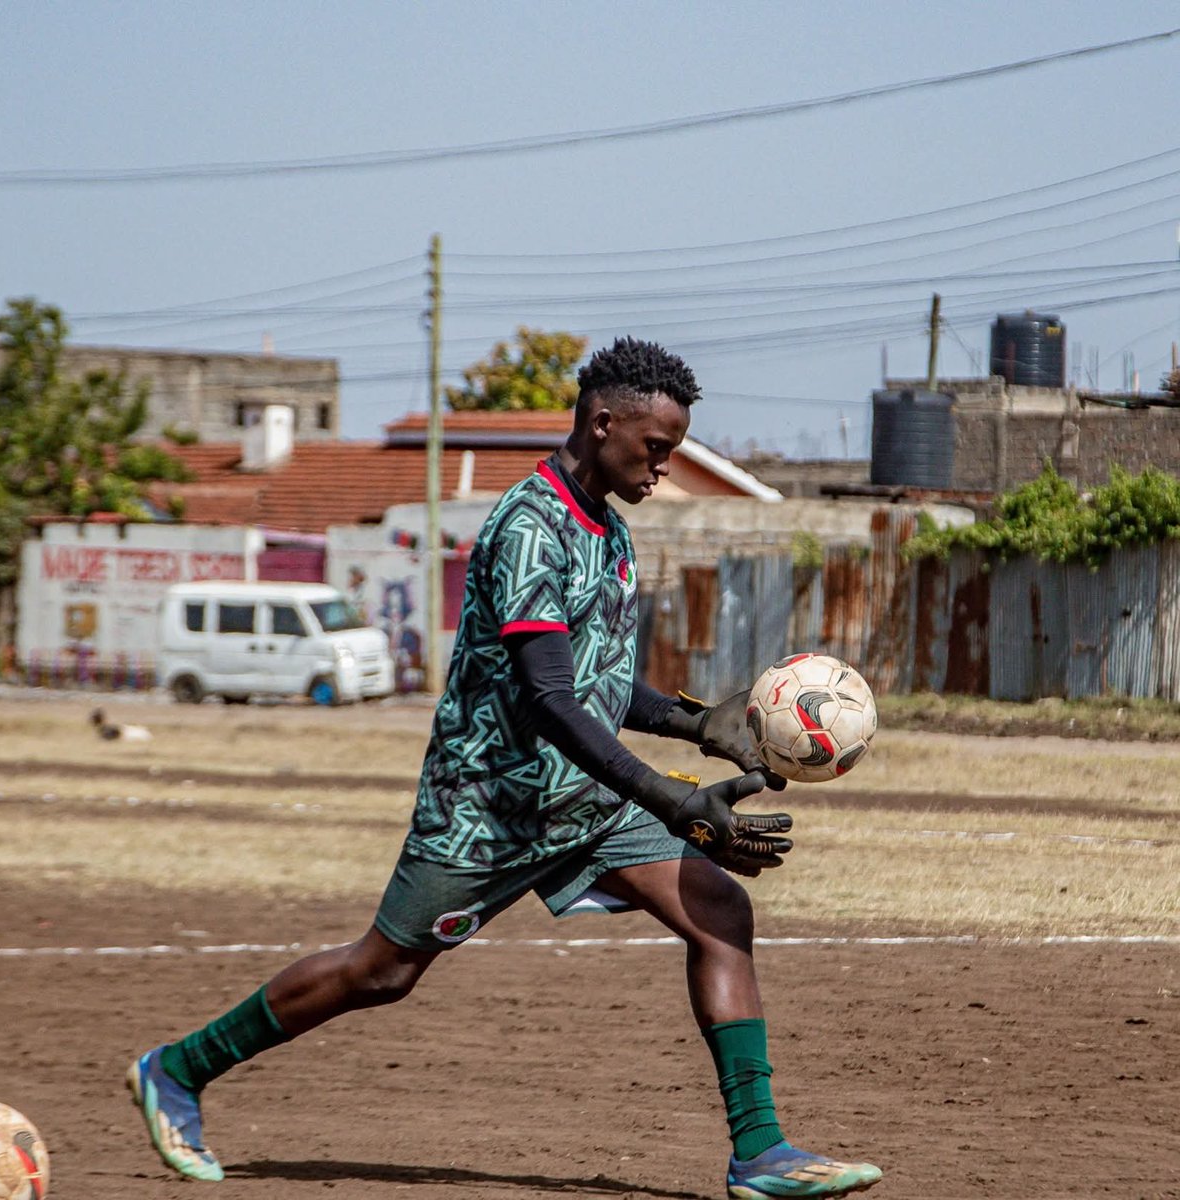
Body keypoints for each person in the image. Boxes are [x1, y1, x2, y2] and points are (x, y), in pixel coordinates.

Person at [127, 337, 882, 1198]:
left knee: (720, 911)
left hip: (589, 804)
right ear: (603, 423)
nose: (665, 466)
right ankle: (178, 1069)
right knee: (381, 972)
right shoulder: (529, 528)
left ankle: (760, 1154)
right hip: (488, 810)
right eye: (657, 447)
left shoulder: (610, 531)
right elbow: (547, 700)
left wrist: (698, 724)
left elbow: (596, 680)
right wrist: (672, 800)